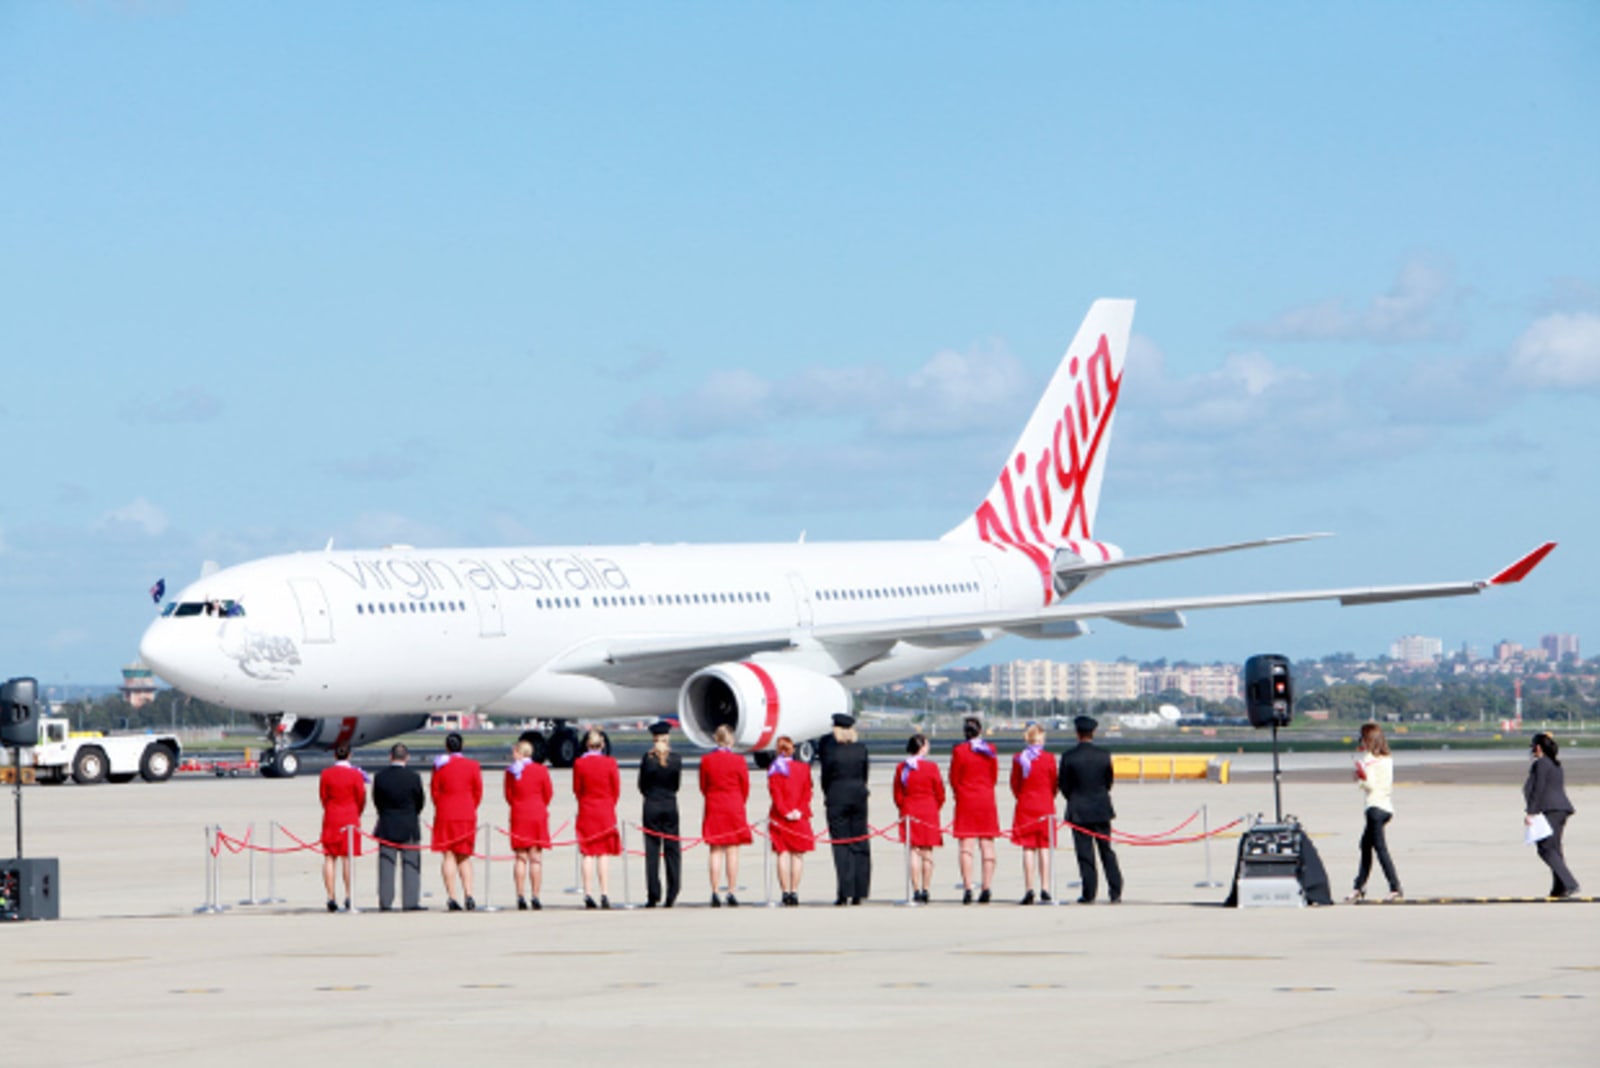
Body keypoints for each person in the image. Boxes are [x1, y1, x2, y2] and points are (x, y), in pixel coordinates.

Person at [1061, 715, 1123, 905]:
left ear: (1077, 733)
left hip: (1079, 809)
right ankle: (1115, 889)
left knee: (1084, 853)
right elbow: (1108, 781)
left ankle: (1089, 892)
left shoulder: (1069, 757)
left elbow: (1064, 785)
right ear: (1093, 732)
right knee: (1106, 850)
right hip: (1100, 807)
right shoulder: (1103, 755)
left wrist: (1075, 798)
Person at [818, 712, 872, 905]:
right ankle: (859, 891)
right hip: (858, 797)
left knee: (841, 845)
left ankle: (844, 891)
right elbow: (864, 774)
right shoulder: (861, 749)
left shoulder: (831, 751)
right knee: (859, 842)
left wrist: (830, 793)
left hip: (837, 797)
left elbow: (825, 777)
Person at [1345, 722, 1402, 903]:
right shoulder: (1387, 759)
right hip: (1386, 807)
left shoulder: (1369, 759)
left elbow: (1370, 785)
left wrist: (1360, 777)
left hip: (1374, 808)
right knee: (1365, 846)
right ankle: (1358, 886)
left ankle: (1395, 887)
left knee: (1379, 849)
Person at [700, 724, 752, 906]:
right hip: (733, 804)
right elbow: (745, 786)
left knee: (715, 850)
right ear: (731, 740)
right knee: (732, 850)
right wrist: (739, 800)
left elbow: (703, 786)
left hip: (715, 805)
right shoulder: (738, 761)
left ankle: (714, 891)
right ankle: (731, 890)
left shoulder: (707, 760)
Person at [430, 732, 483, 911]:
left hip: (445, 812)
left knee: (448, 855)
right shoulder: (472, 765)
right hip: (466, 813)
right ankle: (469, 894)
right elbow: (478, 791)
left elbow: (435, 791)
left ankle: (452, 896)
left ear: (447, 747)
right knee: (464, 856)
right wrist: (470, 806)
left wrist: (442, 805)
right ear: (462, 746)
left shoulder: (440, 766)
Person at [950, 717, 1000, 904]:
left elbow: (954, 777)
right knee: (987, 845)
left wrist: (960, 793)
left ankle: (968, 887)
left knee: (966, 847)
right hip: (985, 798)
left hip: (966, 799)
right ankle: (986, 887)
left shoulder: (959, 751)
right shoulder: (990, 750)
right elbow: (994, 775)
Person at [1524, 732, 1580, 898]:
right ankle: (1559, 888)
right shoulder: (1555, 764)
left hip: (1551, 810)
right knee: (1554, 848)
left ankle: (1570, 883)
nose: (1532, 750)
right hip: (1560, 809)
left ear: (1538, 747)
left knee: (1545, 849)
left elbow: (1538, 789)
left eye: (1533, 746)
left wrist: (1531, 812)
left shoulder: (1541, 764)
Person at [893, 732, 946, 904]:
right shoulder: (931, 767)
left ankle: (915, 889)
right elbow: (940, 792)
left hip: (910, 809)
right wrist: (934, 807)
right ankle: (926, 888)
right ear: (922, 747)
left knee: (914, 852)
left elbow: (898, 794)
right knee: (927, 852)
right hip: (928, 809)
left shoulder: (902, 767)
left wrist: (904, 807)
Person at [372, 742, 425, 911]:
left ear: (390, 757)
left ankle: (385, 902)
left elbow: (377, 800)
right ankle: (410, 902)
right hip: (409, 825)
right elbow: (420, 801)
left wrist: (386, 813)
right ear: (407, 757)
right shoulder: (414, 777)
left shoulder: (380, 777)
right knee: (411, 866)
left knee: (386, 865)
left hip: (387, 824)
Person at [573, 729, 621, 909]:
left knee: (587, 853)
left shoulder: (579, 764)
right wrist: (609, 804)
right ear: (602, 745)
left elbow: (577, 789)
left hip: (587, 808)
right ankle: (605, 893)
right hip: (605, 809)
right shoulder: (610, 763)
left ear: (586, 744)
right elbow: (615, 789)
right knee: (603, 853)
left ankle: (587, 892)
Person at [1009, 722, 1057, 904]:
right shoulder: (1048, 758)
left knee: (1028, 848)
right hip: (1044, 804)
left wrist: (1022, 797)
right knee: (1044, 847)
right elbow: (1053, 782)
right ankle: (1045, 887)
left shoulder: (1019, 758)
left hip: (1026, 804)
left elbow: (1015, 783)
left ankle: (1029, 888)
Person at [637, 720, 683, 908]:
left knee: (652, 851)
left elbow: (642, 785)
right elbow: (676, 785)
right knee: (672, 851)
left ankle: (653, 893)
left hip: (652, 805)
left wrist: (651, 795)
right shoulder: (676, 759)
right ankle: (672, 892)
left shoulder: (648, 759)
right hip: (670, 804)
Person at [765, 735, 815, 906]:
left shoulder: (774, 770)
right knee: (798, 855)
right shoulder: (803, 768)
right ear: (792, 749)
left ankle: (785, 892)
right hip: (799, 816)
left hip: (780, 817)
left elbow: (775, 794)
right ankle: (794, 891)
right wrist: (799, 811)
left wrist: (785, 812)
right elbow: (807, 793)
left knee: (783, 854)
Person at [505, 738, 554, 911]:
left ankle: (520, 896)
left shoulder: (511, 772)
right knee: (536, 858)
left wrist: (518, 804)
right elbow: (548, 793)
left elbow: (508, 796)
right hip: (537, 813)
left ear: (520, 753)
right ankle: (536, 896)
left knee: (520, 858)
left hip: (519, 813)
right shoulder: (541, 770)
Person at [318, 741, 367, 912]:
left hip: (332, 816)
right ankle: (349, 895)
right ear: (350, 755)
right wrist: (356, 812)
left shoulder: (326, 774)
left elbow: (323, 797)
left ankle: (331, 897)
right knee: (348, 858)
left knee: (329, 858)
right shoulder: (355, 774)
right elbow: (361, 797)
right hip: (350, 816)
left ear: (334, 755)